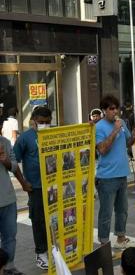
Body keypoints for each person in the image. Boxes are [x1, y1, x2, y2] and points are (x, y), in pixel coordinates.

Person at [95, 95, 135, 250]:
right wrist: (114, 132)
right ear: (104, 111)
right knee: (106, 213)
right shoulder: (99, 127)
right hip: (106, 177)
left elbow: (128, 143)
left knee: (122, 210)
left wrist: (134, 136)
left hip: (122, 174)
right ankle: (104, 243)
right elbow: (102, 149)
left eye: (116, 108)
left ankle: (121, 238)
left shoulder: (121, 124)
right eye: (111, 109)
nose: (115, 111)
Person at [13, 106, 52, 270]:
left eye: (47, 122)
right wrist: (23, 183)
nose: (44, 125)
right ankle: (41, 252)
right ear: (34, 121)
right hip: (35, 187)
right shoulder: (26, 138)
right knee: (38, 220)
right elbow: (13, 161)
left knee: (53, 219)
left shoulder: (53, 133)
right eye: (41, 122)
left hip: (53, 184)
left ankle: (53, 248)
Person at [0, 136, 31, 275]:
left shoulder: (5, 142)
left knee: (10, 236)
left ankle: (9, 267)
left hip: (8, 199)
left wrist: (5, 160)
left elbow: (14, 165)